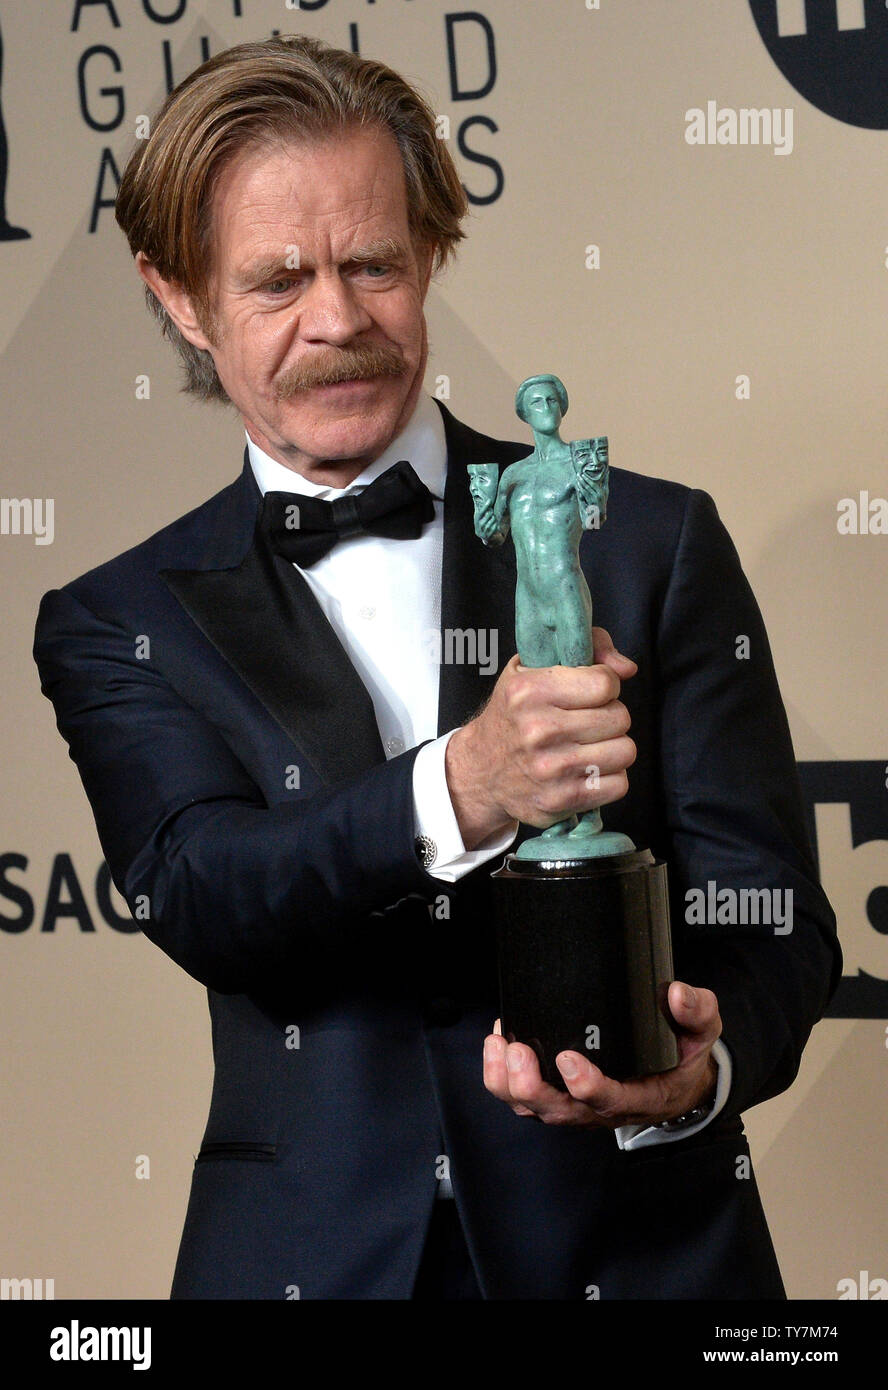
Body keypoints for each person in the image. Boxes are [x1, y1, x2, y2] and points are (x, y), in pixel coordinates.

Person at [33, 34, 840, 1300]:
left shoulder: (645, 541)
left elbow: (775, 923)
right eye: (279, 279)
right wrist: (467, 782)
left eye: (374, 264)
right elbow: (205, 891)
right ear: (177, 294)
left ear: (432, 255)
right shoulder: (117, 617)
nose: (338, 319)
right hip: (307, 1265)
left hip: (645, 1260)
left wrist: (701, 1069)